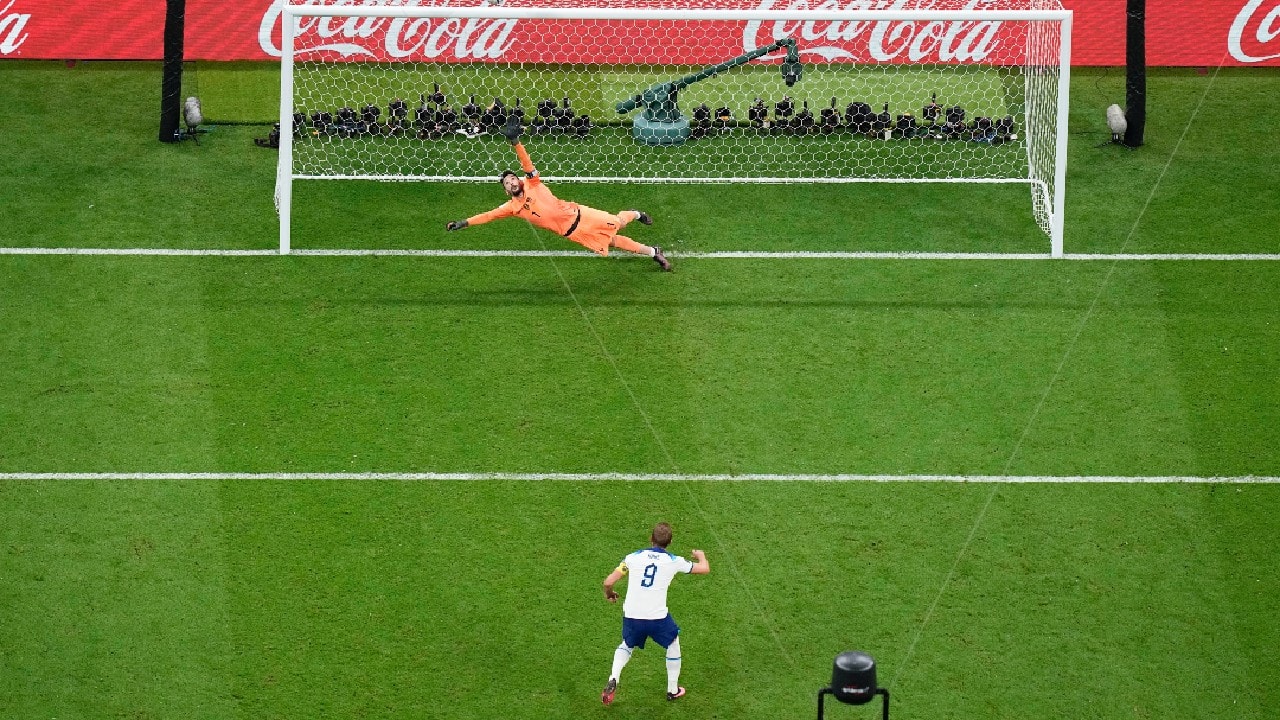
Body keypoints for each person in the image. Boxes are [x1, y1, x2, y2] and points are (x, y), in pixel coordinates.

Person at [445, 117, 672, 271]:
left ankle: (635, 213)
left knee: (619, 223)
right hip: (573, 234)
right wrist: (463, 223)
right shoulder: (511, 207)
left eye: (513, 178)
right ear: (506, 190)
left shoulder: (532, 182)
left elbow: (526, 163)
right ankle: (653, 252)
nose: (512, 182)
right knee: (612, 242)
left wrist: (515, 142)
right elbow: (487, 216)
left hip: (582, 216)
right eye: (507, 182)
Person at [600, 522, 710, 705]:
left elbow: (608, 582)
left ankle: (614, 678)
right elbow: (704, 568)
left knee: (627, 644)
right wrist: (701, 555)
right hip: (657, 618)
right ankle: (672, 690)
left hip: (633, 615)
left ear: (650, 539)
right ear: (670, 542)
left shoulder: (632, 558)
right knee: (673, 643)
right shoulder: (674, 561)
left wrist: (610, 594)